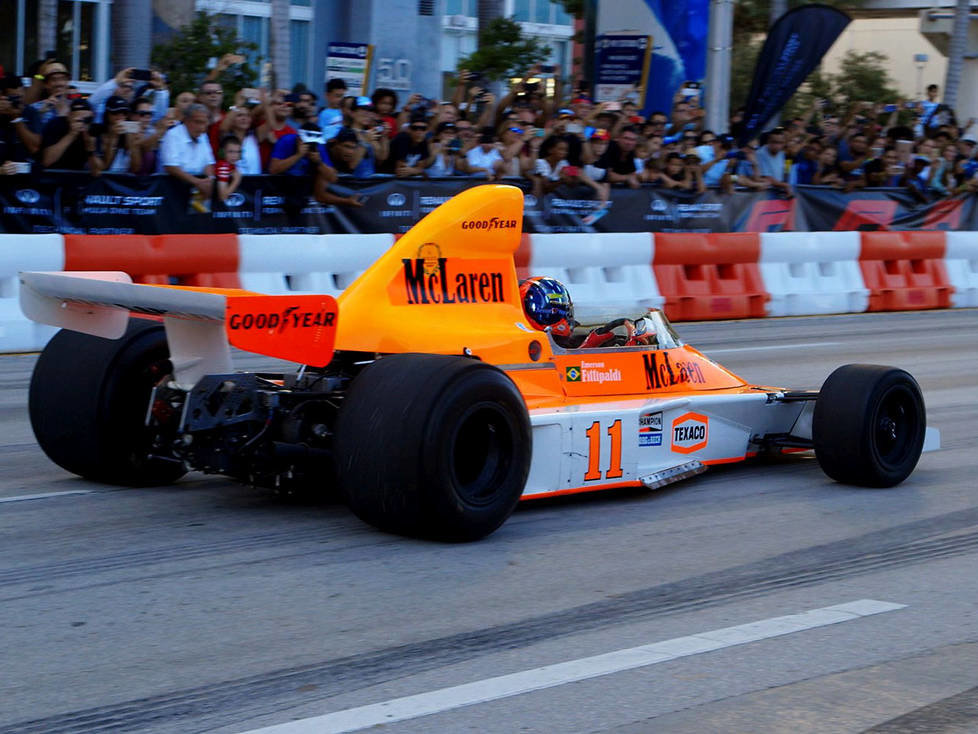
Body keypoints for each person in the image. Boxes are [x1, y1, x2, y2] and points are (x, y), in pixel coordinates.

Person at [160, 103, 216, 204]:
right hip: (173, 191)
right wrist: (197, 182)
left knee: (200, 218)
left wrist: (210, 180)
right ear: (186, 120)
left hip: (198, 192)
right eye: (198, 122)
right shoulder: (173, 135)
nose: (202, 128)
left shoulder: (203, 136)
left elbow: (208, 162)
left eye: (204, 123)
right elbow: (171, 167)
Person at [40, 98, 101, 172]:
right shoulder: (56, 125)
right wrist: (71, 134)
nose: (83, 124)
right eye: (78, 120)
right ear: (69, 117)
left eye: (87, 120)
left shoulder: (93, 130)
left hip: (78, 177)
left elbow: (97, 172)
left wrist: (90, 148)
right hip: (54, 175)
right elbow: (47, 161)